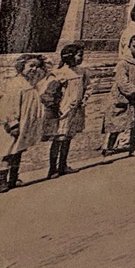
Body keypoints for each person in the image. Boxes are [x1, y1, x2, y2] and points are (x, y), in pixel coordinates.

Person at [0, 54, 48, 193]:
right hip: (16, 123)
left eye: (37, 67)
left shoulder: (29, 82)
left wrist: (40, 63)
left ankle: (13, 179)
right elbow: (10, 106)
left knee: (18, 150)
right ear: (21, 67)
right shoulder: (16, 84)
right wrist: (13, 123)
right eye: (30, 66)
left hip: (25, 122)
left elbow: (46, 69)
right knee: (8, 152)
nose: (34, 69)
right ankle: (2, 181)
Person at [43, 42, 88, 178]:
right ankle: (52, 169)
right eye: (79, 55)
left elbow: (88, 87)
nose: (81, 58)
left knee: (67, 138)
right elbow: (49, 93)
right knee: (58, 139)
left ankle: (63, 165)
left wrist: (83, 99)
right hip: (62, 110)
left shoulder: (82, 72)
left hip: (75, 111)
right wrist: (54, 107)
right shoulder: (59, 74)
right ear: (69, 56)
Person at [104, 33, 135, 155]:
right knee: (117, 124)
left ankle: (132, 148)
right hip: (123, 98)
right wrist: (134, 92)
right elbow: (122, 82)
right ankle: (109, 148)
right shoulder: (123, 63)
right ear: (129, 46)